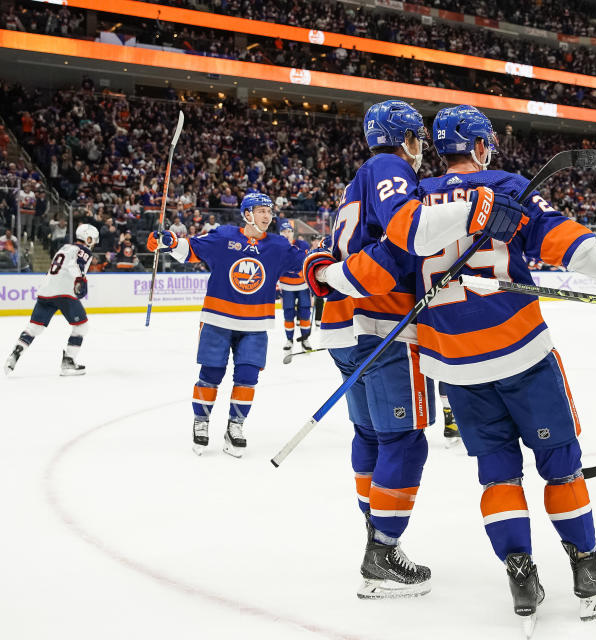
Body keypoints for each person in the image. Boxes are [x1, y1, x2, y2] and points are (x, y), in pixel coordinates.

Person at [311, 104, 596, 623]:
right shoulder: (503, 184)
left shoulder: (417, 199)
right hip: (520, 348)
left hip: (454, 364)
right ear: (481, 145)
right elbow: (567, 244)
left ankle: (520, 574)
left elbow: (383, 267)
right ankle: (588, 571)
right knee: (559, 463)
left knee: (497, 474)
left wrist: (325, 275)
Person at [302, 100, 528, 600]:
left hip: (342, 328)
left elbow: (346, 246)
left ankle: (374, 535)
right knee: (404, 441)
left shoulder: (355, 180)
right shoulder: (388, 166)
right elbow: (403, 241)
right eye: (418, 140)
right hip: (382, 324)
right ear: (405, 138)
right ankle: (381, 551)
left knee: (370, 434)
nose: (422, 150)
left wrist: (326, 272)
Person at [148, 191, 304, 457]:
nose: (268, 216)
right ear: (247, 214)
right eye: (261, 211)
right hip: (218, 319)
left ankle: (235, 426)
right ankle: (202, 421)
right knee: (210, 374)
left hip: (255, 324)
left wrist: (328, 253)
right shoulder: (224, 237)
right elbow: (191, 248)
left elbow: (305, 263)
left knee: (248, 377)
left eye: (269, 211)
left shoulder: (278, 246)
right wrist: (169, 241)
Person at [5, 224, 99, 376]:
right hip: (64, 292)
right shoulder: (84, 250)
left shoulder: (64, 248)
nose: (93, 243)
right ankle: (68, 362)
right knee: (82, 327)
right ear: (87, 238)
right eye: (93, 239)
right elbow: (73, 265)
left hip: (46, 291)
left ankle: (14, 354)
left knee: (34, 328)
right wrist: (80, 279)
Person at [276, 218, 313, 354]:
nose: (287, 233)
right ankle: (289, 340)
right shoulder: (276, 247)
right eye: (284, 231)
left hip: (303, 287)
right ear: (280, 233)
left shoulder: (302, 245)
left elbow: (307, 264)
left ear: (293, 233)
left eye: (289, 231)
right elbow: (276, 268)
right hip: (286, 288)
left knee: (305, 313)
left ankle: (305, 339)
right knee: (288, 314)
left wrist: (311, 286)